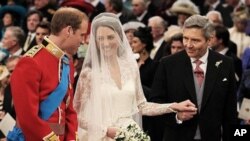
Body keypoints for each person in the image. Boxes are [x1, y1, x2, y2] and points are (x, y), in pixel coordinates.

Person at [73, 12, 197, 141]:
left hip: (130, 132)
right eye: (100, 38)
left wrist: (173, 106)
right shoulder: (89, 73)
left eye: (110, 37)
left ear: (120, 37)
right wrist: (106, 131)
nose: (105, 43)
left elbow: (141, 106)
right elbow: (77, 114)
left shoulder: (131, 67)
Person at [150, 15, 238, 141]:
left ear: (209, 40)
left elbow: (230, 111)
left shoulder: (226, 64)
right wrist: (177, 117)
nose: (188, 45)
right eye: (185, 38)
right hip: (177, 137)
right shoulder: (167, 64)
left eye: (195, 40)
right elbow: (155, 103)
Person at [7, 7, 89, 141]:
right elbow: (27, 116)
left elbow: (69, 110)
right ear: (68, 31)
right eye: (81, 34)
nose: (83, 41)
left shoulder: (66, 62)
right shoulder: (31, 62)